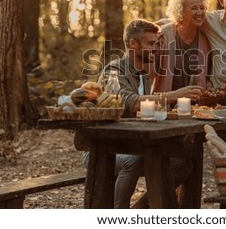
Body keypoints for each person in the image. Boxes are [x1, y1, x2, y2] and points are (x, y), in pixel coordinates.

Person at [83, 19, 201, 208]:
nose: (155, 49)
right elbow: (131, 103)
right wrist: (174, 96)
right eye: (151, 44)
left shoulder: (144, 74)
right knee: (134, 161)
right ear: (133, 44)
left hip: (133, 144)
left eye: (156, 44)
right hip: (105, 147)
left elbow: (145, 109)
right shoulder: (114, 71)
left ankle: (140, 208)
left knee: (183, 164)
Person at [153, 0, 210, 93]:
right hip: (165, 104)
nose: (200, 12)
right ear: (181, 11)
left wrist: (209, 87)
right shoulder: (163, 35)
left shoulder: (205, 40)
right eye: (194, 8)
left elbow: (207, 77)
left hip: (196, 107)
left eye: (202, 8)